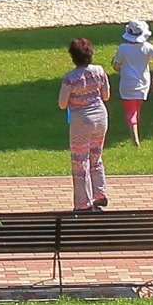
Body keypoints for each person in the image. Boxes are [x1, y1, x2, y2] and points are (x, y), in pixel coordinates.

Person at [58, 36, 113, 210]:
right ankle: (100, 192)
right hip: (101, 117)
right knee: (96, 157)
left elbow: (62, 103)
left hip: (81, 120)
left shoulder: (70, 78)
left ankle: (83, 202)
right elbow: (106, 96)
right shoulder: (99, 71)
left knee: (80, 161)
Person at [112, 20, 153, 145]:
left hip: (128, 83)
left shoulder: (123, 48)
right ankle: (136, 131)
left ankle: (135, 140)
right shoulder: (147, 47)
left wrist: (119, 66)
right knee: (136, 108)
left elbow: (116, 66)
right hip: (144, 83)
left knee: (130, 111)